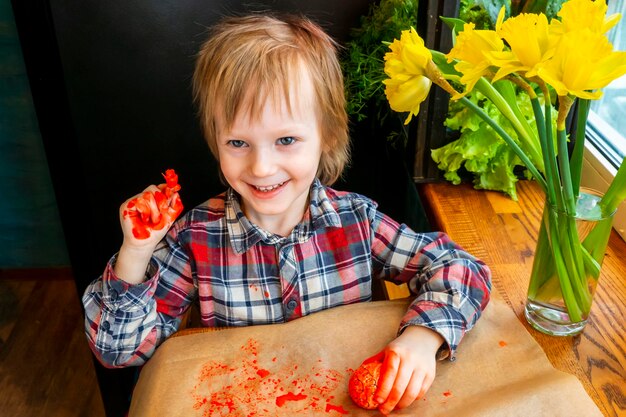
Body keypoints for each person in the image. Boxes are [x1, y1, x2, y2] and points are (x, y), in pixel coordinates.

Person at [82, 13, 491, 415]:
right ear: (215, 142)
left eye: (287, 140)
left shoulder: (356, 223)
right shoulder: (195, 239)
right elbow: (119, 352)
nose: (261, 167)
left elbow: (461, 269)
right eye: (238, 142)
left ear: (327, 135)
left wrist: (422, 337)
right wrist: (135, 252)